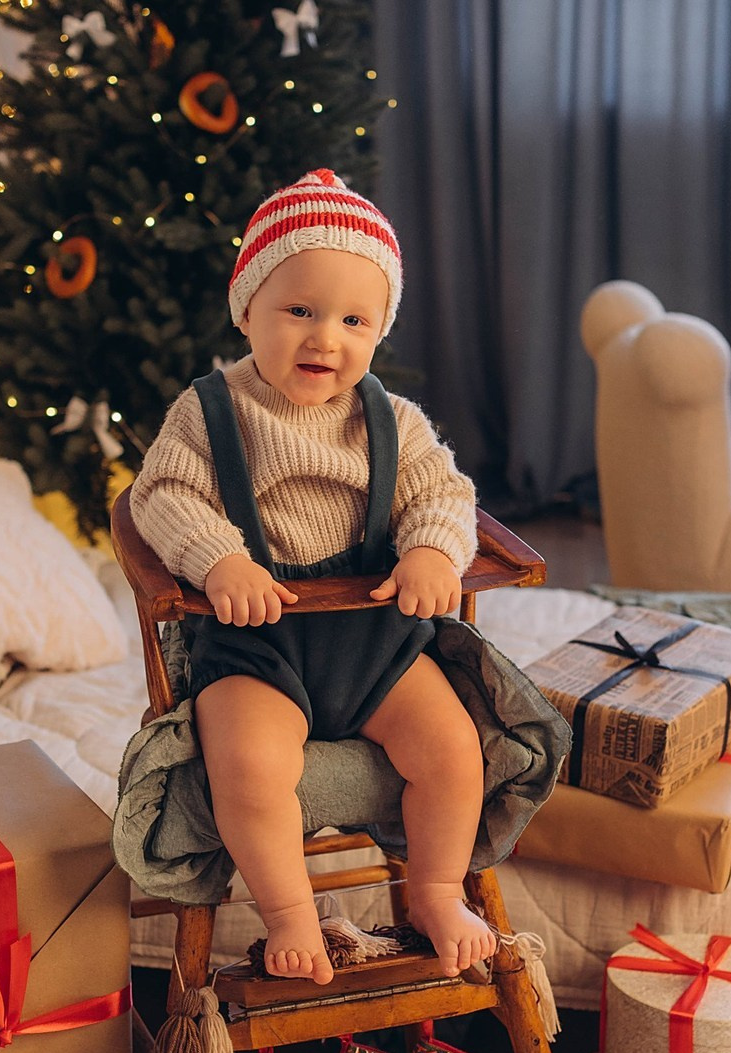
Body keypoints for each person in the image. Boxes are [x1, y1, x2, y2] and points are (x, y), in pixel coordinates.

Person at [129, 168, 495, 985]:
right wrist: (219, 558)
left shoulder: (390, 421)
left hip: (375, 642)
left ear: (379, 331)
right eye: (299, 310)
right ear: (247, 309)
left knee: (454, 749)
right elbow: (161, 494)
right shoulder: (210, 411)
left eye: (353, 319)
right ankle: (293, 914)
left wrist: (433, 552)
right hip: (258, 643)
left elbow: (443, 491)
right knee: (250, 765)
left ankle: (435, 888)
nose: (325, 338)